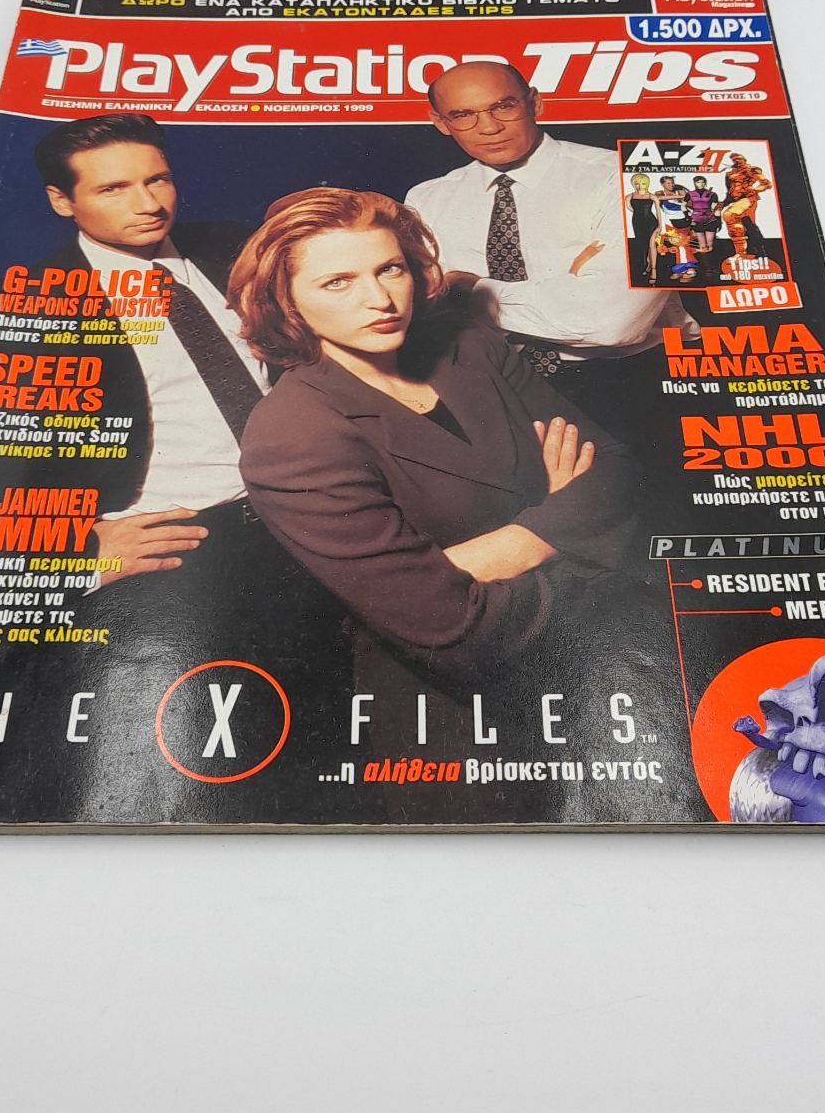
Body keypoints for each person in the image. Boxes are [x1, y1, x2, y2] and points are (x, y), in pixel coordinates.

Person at [0, 114, 344, 819]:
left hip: (308, 522)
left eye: (158, 180)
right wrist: (72, 550)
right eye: (114, 188)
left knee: (324, 751)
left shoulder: (240, 252)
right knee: (181, 776)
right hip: (176, 552)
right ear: (63, 201)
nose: (148, 203)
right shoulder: (5, 309)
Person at [230, 189, 695, 819]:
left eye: (389, 268)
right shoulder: (291, 435)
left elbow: (615, 469)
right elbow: (452, 629)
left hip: (610, 688)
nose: (379, 299)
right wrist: (556, 526)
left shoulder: (471, 346)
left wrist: (462, 562)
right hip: (457, 723)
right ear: (286, 302)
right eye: (338, 282)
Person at [404, 61, 695, 448]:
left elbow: (613, 322)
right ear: (441, 123)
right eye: (463, 115)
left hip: (628, 385)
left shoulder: (635, 178)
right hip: (490, 386)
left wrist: (471, 292)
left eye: (503, 106)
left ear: (535, 103)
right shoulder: (426, 198)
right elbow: (423, 313)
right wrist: (568, 289)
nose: (489, 127)